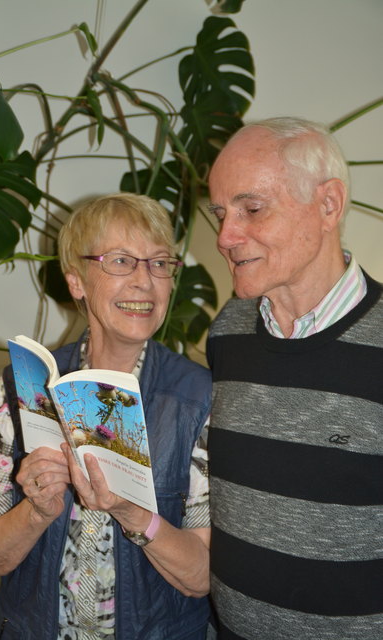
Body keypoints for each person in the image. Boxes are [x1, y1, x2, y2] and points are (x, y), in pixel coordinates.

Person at [0, 193, 212, 640]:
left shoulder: (198, 398)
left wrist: (133, 513)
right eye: (121, 261)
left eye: (159, 263)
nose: (144, 281)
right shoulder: (26, 386)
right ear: (76, 281)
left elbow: (201, 577)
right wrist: (37, 511)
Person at [205, 117, 383, 639]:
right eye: (220, 213)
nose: (225, 236)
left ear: (329, 205)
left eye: (251, 208)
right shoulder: (227, 332)